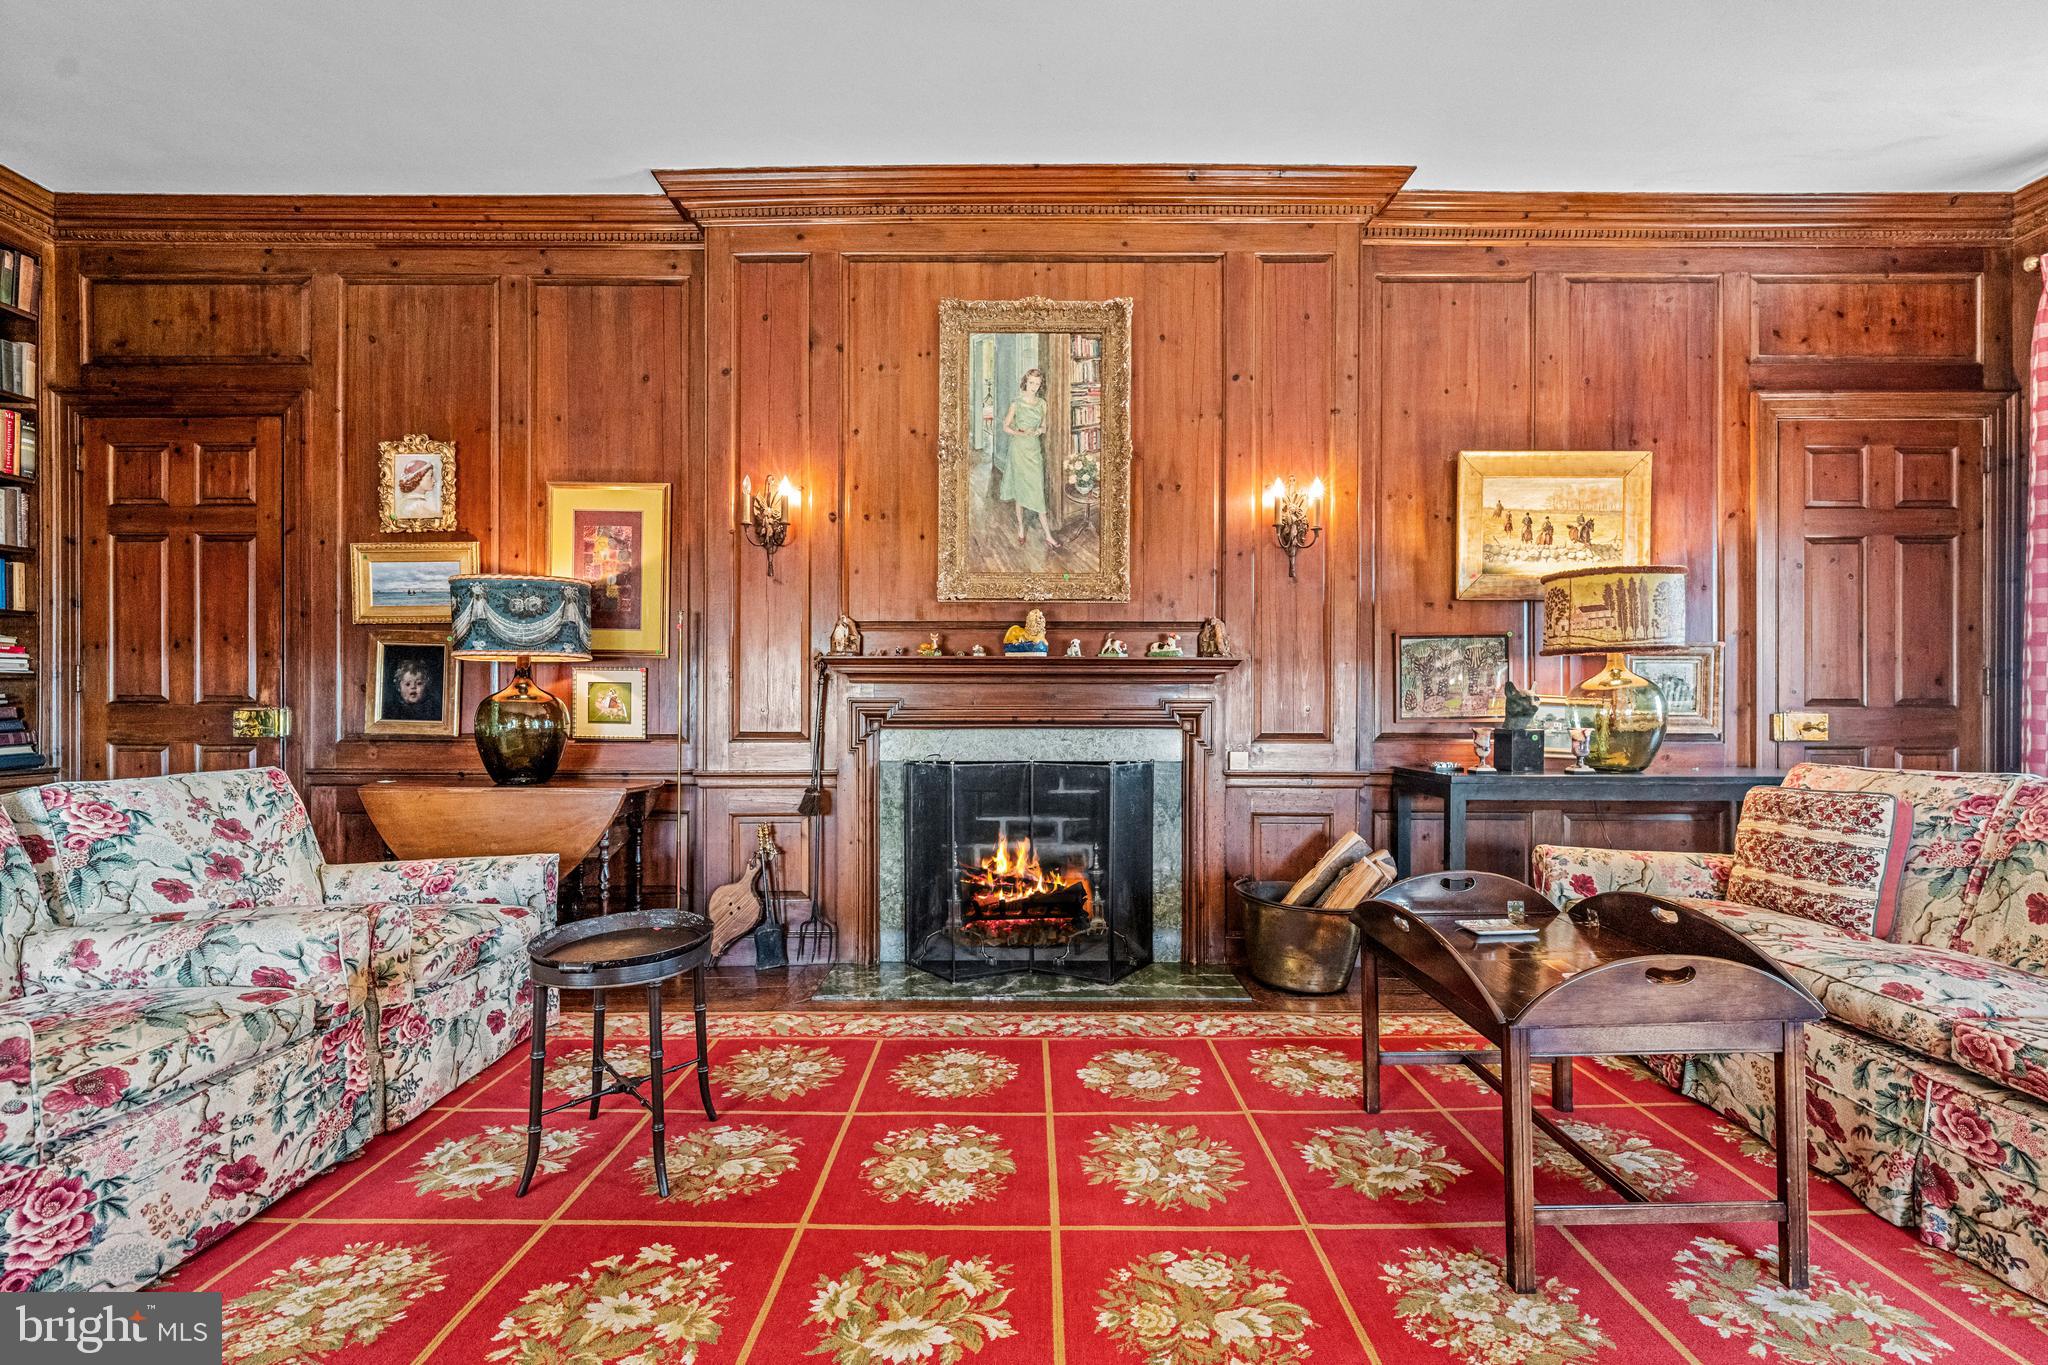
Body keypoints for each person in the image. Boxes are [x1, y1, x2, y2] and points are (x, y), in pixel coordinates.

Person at [1000, 368, 1060, 548]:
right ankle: (1020, 528)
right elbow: (1005, 427)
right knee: (1020, 490)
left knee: (1037, 492)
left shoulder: (1042, 403)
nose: (1034, 386)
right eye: (1032, 383)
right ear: (1025, 382)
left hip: (1034, 451)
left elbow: (1044, 427)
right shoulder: (1016, 403)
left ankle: (1048, 536)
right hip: (1019, 449)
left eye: (1038, 383)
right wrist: (1019, 432)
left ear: (1041, 384)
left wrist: (1038, 431)